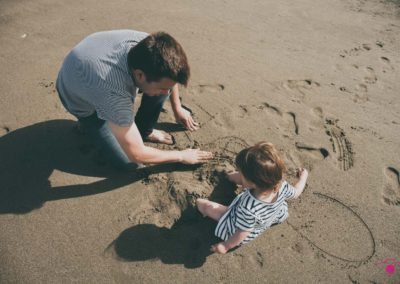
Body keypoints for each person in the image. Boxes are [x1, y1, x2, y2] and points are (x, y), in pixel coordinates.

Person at [56, 30, 213, 170]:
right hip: (80, 101)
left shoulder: (149, 45)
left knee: (158, 89)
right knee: (128, 163)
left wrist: (177, 108)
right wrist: (181, 155)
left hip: (90, 71)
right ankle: (90, 124)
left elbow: (169, 78)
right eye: (164, 88)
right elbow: (137, 155)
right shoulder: (114, 94)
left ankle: (144, 130)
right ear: (139, 75)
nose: (167, 92)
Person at [196, 142, 309, 254]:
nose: (240, 174)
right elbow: (296, 192)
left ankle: (199, 203)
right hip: (272, 214)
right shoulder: (281, 185)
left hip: (237, 227)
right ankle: (229, 177)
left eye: (242, 174)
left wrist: (226, 245)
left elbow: (243, 231)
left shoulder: (249, 208)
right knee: (239, 178)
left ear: (253, 184)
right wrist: (303, 178)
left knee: (205, 205)